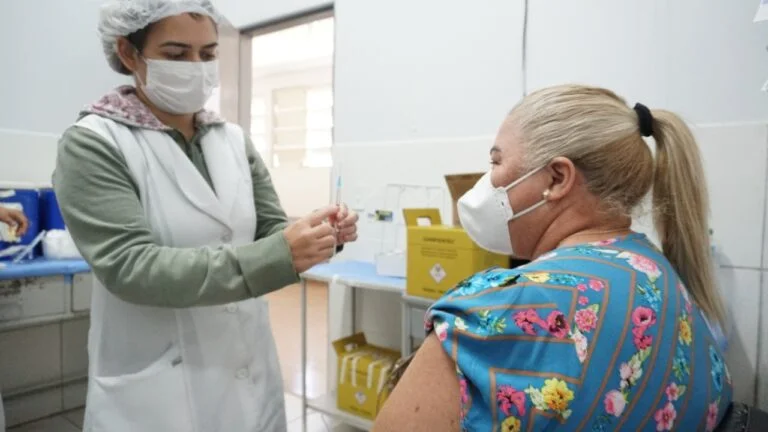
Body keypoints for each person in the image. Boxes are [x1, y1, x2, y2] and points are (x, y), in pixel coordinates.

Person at [53, 1, 357, 431]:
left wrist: (319, 231)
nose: (196, 67)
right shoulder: (94, 143)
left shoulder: (231, 138)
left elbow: (269, 228)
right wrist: (278, 254)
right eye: (177, 55)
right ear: (128, 52)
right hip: (158, 385)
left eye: (208, 54)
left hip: (247, 365)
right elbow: (130, 266)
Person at [373, 85, 734, 431]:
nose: (486, 182)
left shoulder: (497, 314)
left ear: (558, 178)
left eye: (496, 162)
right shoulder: (659, 273)